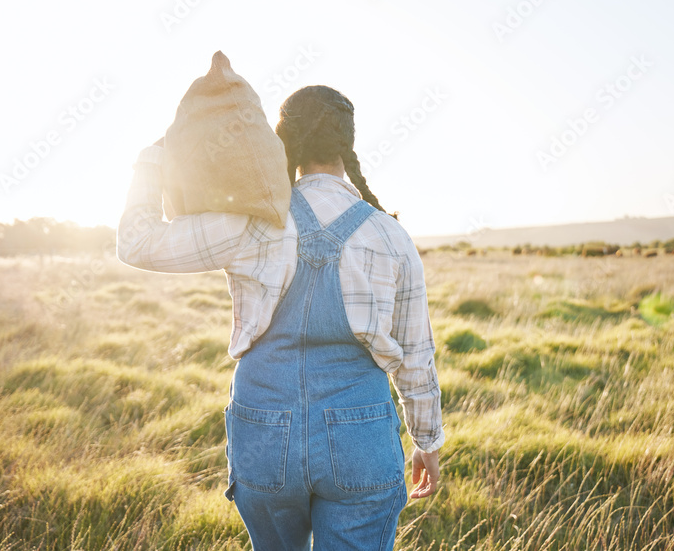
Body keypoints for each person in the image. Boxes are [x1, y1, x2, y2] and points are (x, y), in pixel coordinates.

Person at [117, 84, 443, 550]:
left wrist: (155, 157)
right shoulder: (392, 236)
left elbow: (137, 241)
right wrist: (426, 440)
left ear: (282, 140)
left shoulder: (252, 221)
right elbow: (417, 355)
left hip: (264, 436)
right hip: (362, 443)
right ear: (347, 144)